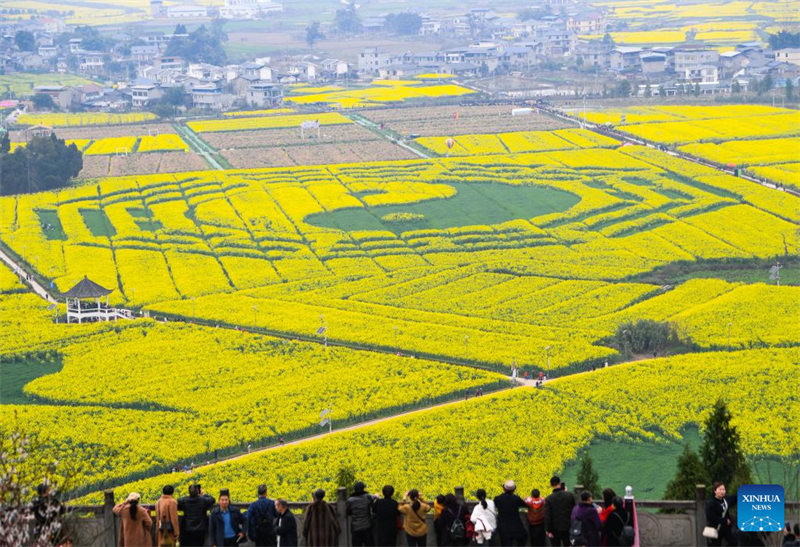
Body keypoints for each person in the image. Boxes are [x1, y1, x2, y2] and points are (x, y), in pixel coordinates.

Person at [493, 480, 527, 547]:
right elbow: (525, 505)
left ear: (504, 488)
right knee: (524, 536)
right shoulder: (516, 499)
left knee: (506, 544)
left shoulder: (497, 499)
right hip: (516, 526)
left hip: (502, 526)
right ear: (514, 489)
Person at [545, 476, 575, 547]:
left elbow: (548, 516)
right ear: (560, 483)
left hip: (555, 528)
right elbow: (574, 509)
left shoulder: (549, 498)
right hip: (568, 526)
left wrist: (548, 529)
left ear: (551, 485)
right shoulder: (569, 495)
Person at [705, 482, 738, 547]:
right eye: (720, 489)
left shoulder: (726, 500)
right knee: (716, 544)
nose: (722, 491)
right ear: (715, 491)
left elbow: (735, 498)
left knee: (733, 542)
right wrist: (724, 520)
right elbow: (711, 516)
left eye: (723, 489)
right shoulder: (711, 503)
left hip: (726, 529)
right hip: (716, 528)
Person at [347, 481, 375, 547]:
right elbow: (372, 504)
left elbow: (348, 512)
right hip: (367, 527)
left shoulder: (350, 500)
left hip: (355, 528)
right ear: (363, 489)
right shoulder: (367, 497)